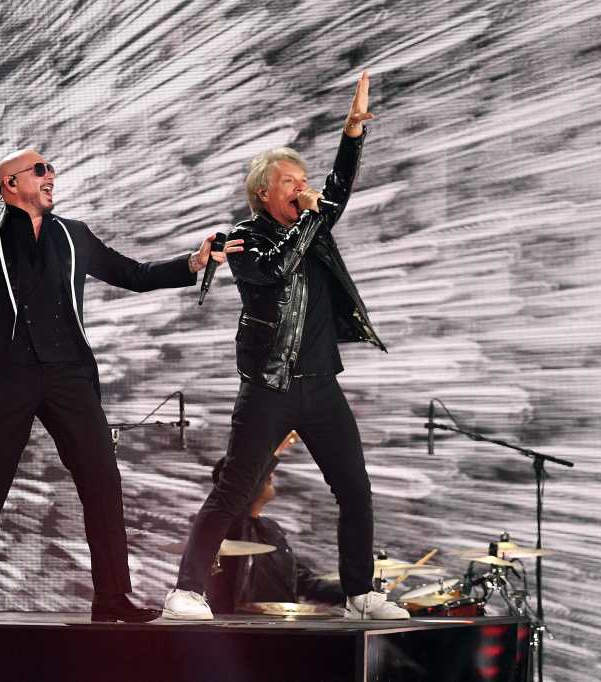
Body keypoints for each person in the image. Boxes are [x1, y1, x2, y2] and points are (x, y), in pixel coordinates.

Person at [0, 148, 241, 622]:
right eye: (41, 170)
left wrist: (192, 262)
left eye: (51, 169)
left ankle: (112, 596)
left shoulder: (73, 234)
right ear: (10, 184)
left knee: (102, 479)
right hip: (5, 377)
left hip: (68, 374)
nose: (52, 176)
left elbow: (134, 274)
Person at [163, 72, 409, 621]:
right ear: (264, 194)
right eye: (290, 182)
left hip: (320, 385)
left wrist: (351, 133)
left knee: (355, 488)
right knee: (234, 491)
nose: (303, 188)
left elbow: (338, 187)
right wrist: (313, 215)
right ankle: (186, 590)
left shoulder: (312, 225)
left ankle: (359, 594)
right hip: (268, 387)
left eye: (304, 180)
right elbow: (276, 272)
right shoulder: (244, 239)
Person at [205, 456, 344, 614]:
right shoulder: (226, 529)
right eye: (261, 473)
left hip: (284, 622)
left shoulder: (271, 528)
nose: (271, 476)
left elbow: (301, 581)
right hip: (245, 623)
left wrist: (353, 592)